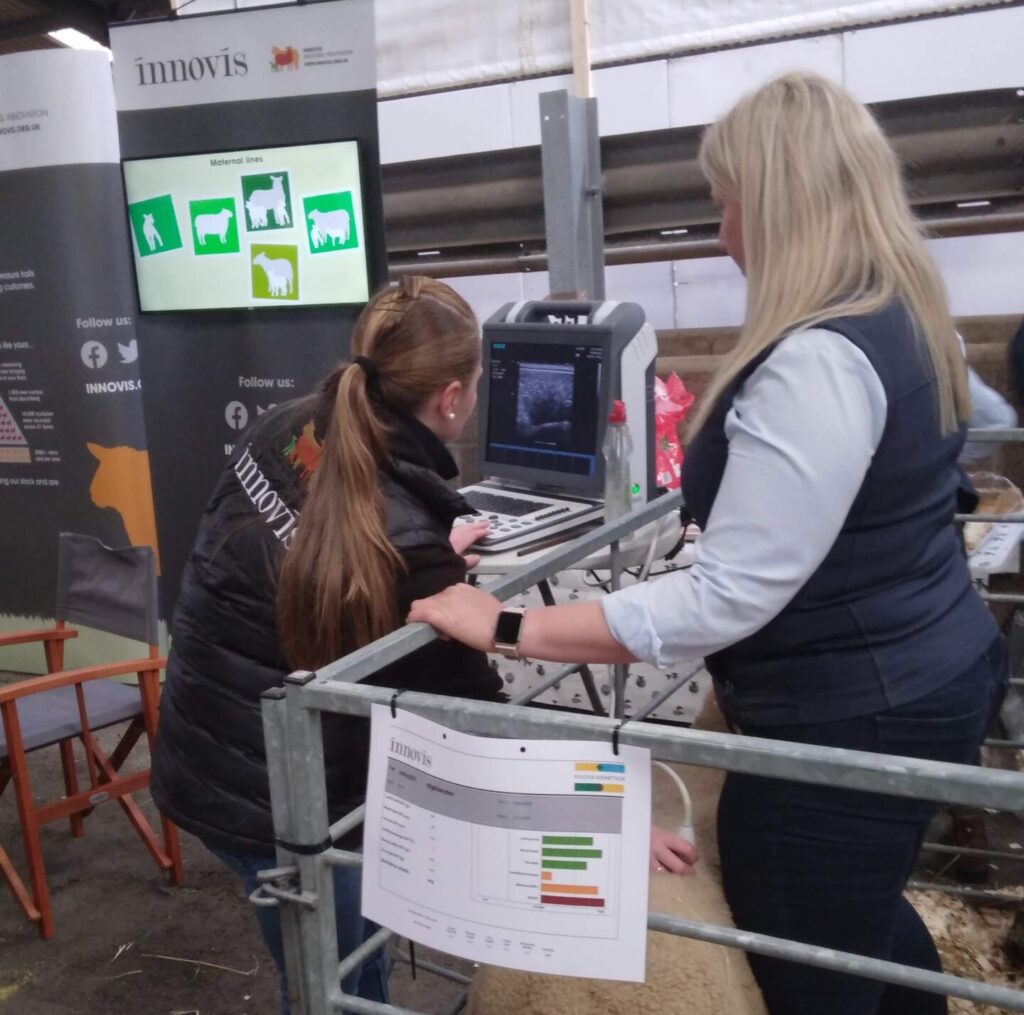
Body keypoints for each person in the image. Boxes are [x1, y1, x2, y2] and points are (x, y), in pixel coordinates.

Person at [408, 73, 1008, 1015]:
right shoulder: (901, 310)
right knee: (863, 918)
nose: (720, 232)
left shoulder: (817, 356)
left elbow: (729, 596)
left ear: (778, 205)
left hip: (851, 704)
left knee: (805, 951)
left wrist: (509, 622)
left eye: (726, 205)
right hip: (918, 667)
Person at [151, 276, 503, 1014]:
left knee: (318, 973)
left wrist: (422, 547)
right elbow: (486, 724)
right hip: (291, 799)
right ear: (450, 397)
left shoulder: (286, 422)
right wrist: (623, 818)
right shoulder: (405, 542)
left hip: (207, 751)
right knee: (339, 988)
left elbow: (323, 545)